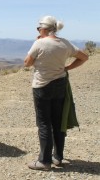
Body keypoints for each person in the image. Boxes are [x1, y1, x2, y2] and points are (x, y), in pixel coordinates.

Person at [24, 15, 88, 170]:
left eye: (39, 28)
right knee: (58, 122)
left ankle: (44, 161)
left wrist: (38, 43)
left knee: (44, 123)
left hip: (42, 86)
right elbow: (84, 57)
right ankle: (57, 157)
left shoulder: (39, 43)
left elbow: (27, 63)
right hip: (60, 84)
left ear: (44, 28)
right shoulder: (65, 43)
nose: (38, 30)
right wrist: (67, 68)